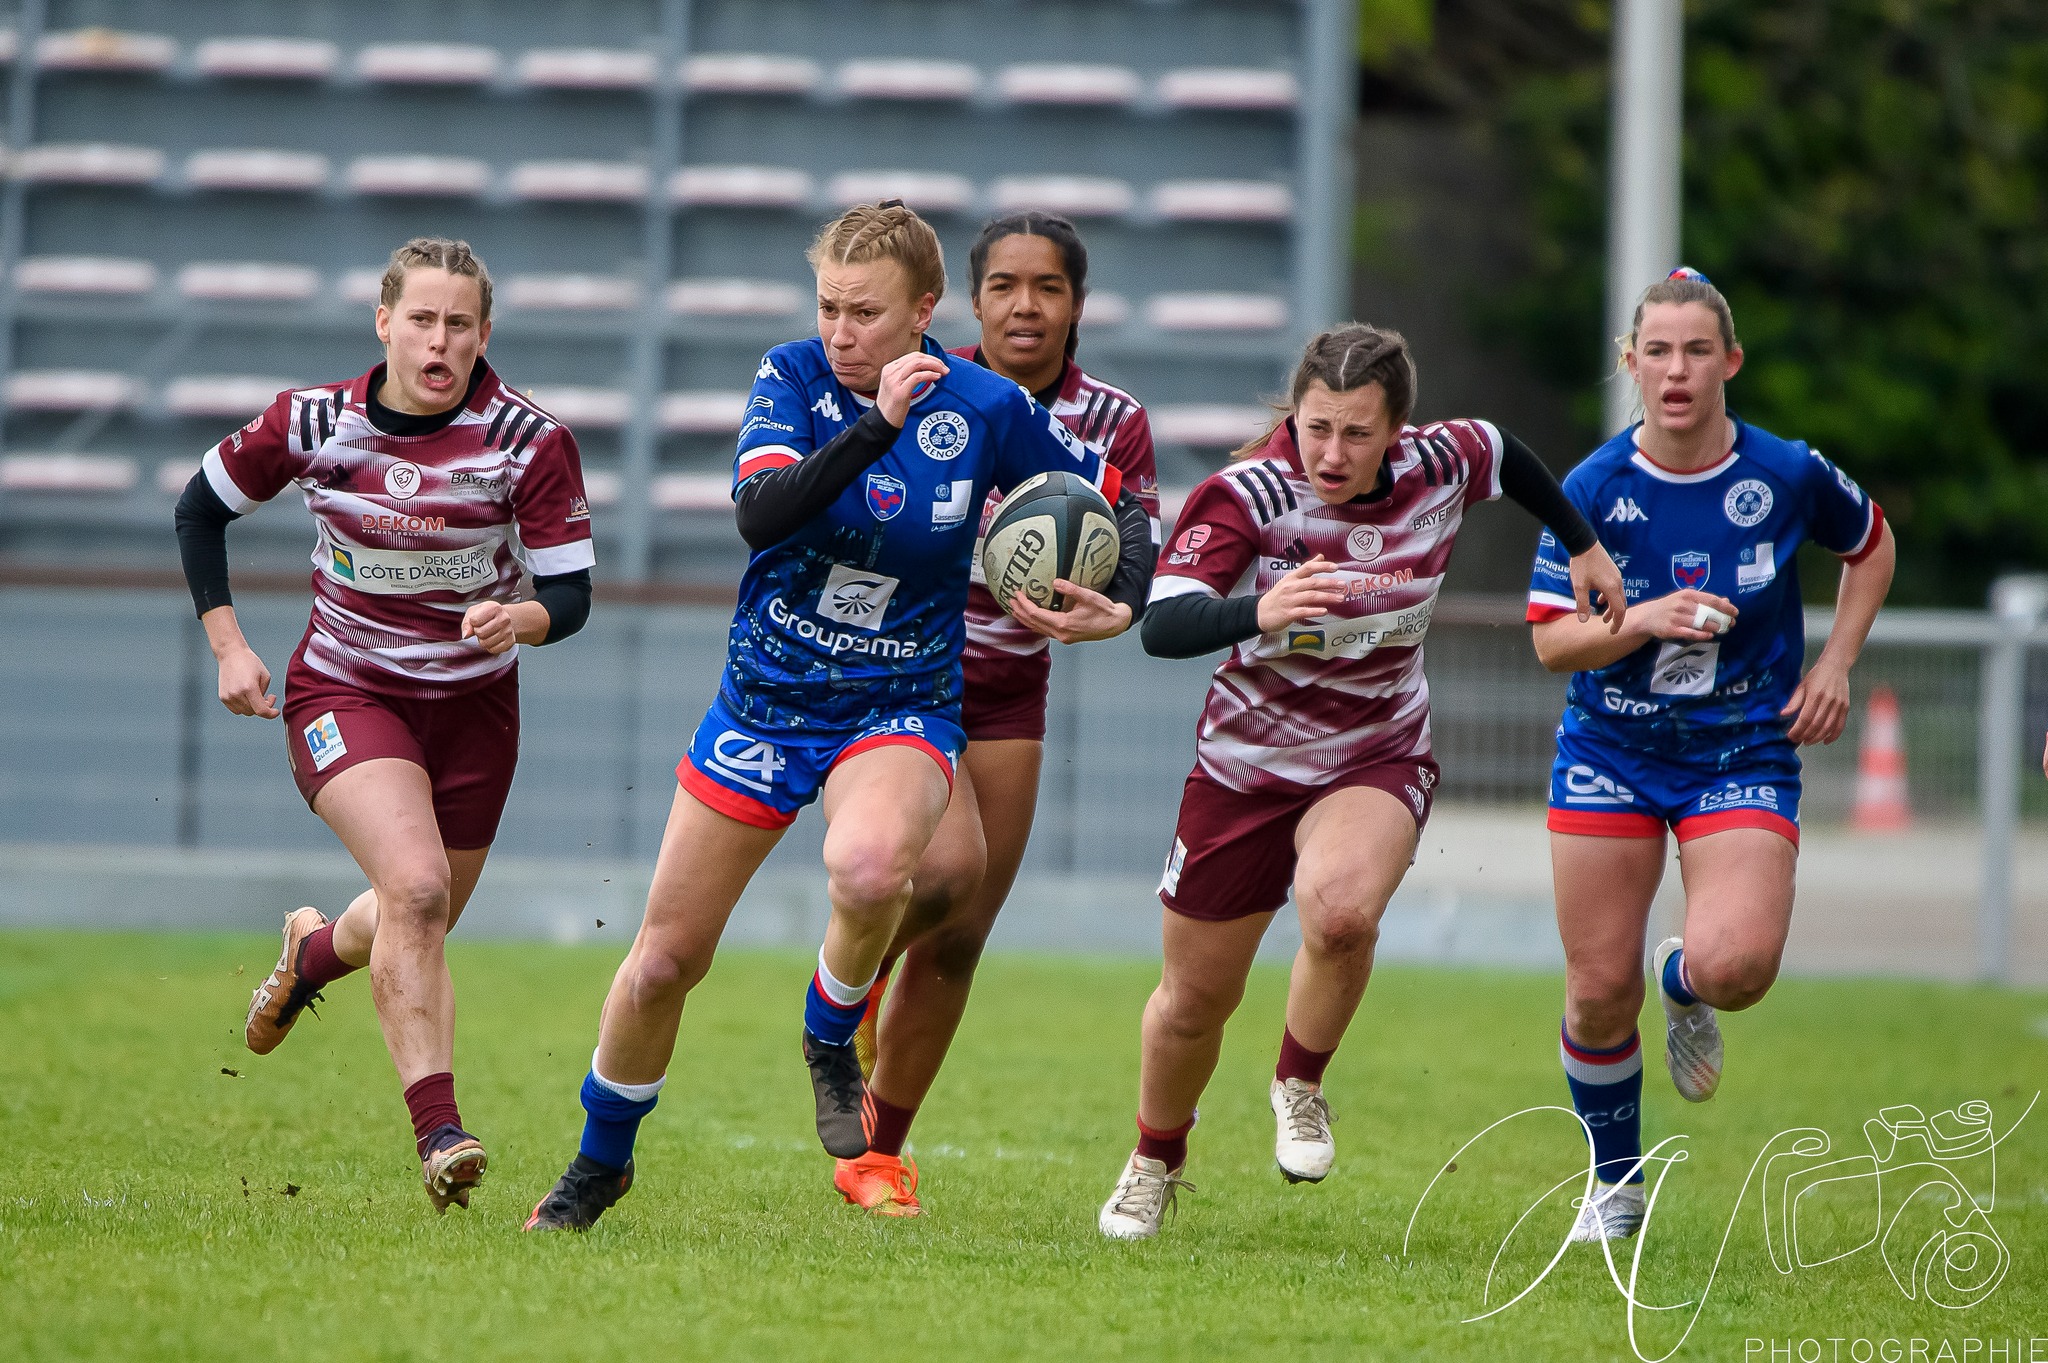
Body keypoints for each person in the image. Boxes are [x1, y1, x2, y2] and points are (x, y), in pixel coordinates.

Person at [525, 202, 1153, 1232]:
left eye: (865, 312)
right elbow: (760, 516)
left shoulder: (986, 407)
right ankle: (600, 1163)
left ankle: (828, 1031)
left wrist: (1116, 596)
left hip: (898, 702)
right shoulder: (792, 379)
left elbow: (1116, 501)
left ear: (922, 312)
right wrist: (876, 425)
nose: (840, 331)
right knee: (661, 963)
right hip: (767, 702)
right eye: (827, 306)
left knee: (872, 871)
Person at [1096, 323, 1627, 1240]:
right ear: (1292, 416)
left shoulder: (1442, 464)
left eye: (1354, 432)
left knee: (1340, 912)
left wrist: (1582, 543)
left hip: (1376, 751)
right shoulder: (1248, 496)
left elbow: (1511, 454)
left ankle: (1299, 1081)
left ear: (1397, 430)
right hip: (1244, 770)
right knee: (1192, 1003)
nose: (1331, 452)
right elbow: (1164, 626)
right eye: (1315, 428)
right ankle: (1155, 1156)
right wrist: (1260, 609)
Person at [172, 237, 596, 1211]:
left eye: (457, 323)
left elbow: (569, 594)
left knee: (419, 909)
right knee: (413, 887)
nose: (437, 340)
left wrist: (522, 616)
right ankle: (439, 1133)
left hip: (476, 711)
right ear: (383, 323)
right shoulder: (313, 420)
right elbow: (200, 509)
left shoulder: (528, 440)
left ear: (484, 333)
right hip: (346, 693)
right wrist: (230, 646)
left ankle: (310, 953)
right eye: (420, 319)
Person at [1525, 268, 1894, 1242]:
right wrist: (1639, 619)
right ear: (1631, 365)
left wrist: (1836, 664)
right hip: (1609, 744)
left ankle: (1682, 981)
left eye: (1696, 350)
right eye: (1656, 351)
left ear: (1728, 360)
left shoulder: (1781, 472)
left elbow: (1870, 543)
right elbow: (1552, 641)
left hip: (1739, 745)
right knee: (1596, 988)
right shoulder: (1591, 489)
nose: (1676, 370)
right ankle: (1613, 1187)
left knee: (1737, 966)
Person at [835, 212, 1161, 1217]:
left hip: (1012, 686)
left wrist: (1125, 600)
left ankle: (877, 1152)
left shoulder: (1110, 418)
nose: (1026, 304)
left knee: (964, 928)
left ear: (1076, 303)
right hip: (899, 674)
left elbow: (1136, 528)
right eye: (1006, 285)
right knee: (934, 876)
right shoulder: (931, 389)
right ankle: (855, 974)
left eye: (1048, 287)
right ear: (969, 302)